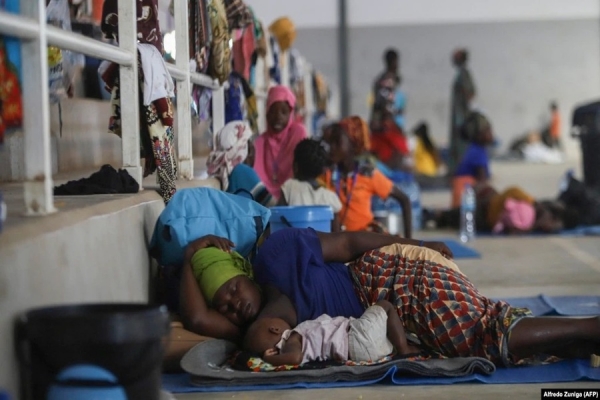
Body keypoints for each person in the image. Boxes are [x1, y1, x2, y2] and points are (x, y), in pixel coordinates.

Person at [180, 227, 600, 367]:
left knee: (475, 336)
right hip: (387, 316)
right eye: (225, 305)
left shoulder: (277, 254)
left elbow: (348, 244)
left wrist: (418, 241)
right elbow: (198, 320)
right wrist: (188, 256)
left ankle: (591, 328)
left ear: (243, 271)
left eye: (232, 289)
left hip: (389, 278)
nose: (233, 303)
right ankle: (581, 342)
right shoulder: (256, 330)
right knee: (478, 342)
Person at [243, 300, 420, 366]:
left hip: (359, 353)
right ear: (274, 329)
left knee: (384, 337)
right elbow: (294, 358)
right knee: (386, 306)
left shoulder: (294, 343)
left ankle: (401, 347)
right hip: (355, 336)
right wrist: (270, 359)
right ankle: (403, 349)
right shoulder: (292, 339)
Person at [322, 116, 413, 238]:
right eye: (330, 143)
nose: (331, 148)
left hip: (365, 240)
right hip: (340, 242)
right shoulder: (327, 174)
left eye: (337, 142)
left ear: (353, 145)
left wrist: (409, 240)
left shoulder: (367, 174)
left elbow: (404, 200)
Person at [254, 85, 308, 200]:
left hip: (292, 196)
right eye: (273, 112)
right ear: (267, 114)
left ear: (291, 114)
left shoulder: (298, 133)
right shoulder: (260, 142)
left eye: (284, 112)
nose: (278, 117)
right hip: (264, 200)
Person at [278, 139, 343, 232]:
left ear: (295, 166)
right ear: (322, 170)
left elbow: (278, 219)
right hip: (323, 245)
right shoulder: (330, 197)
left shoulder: (289, 188)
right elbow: (337, 234)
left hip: (294, 244)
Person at [206, 121, 275, 207]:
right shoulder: (241, 171)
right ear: (245, 150)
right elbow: (272, 207)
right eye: (250, 145)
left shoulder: (221, 171)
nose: (254, 152)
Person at [369, 49, 409, 170]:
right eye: (396, 62)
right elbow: (385, 106)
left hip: (385, 124)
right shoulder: (386, 81)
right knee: (393, 155)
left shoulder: (384, 79)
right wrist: (393, 124)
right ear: (391, 62)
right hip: (385, 125)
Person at [451, 111, 494, 208]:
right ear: (479, 134)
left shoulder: (475, 149)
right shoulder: (478, 153)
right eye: (488, 131)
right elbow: (482, 183)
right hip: (466, 203)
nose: (492, 134)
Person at [448, 48, 476, 177]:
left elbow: (470, 93)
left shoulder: (464, 74)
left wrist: (463, 112)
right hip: (458, 115)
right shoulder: (460, 73)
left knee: (461, 145)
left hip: (461, 116)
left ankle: (462, 171)